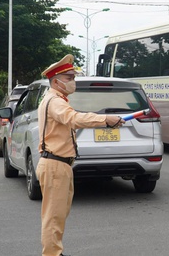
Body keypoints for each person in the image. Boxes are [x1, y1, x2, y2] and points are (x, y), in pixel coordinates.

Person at [36, 54, 125, 256]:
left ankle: (54, 252)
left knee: (57, 215)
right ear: (56, 81)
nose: (73, 81)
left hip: (59, 164)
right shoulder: (56, 101)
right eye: (69, 78)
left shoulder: (56, 99)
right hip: (55, 164)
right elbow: (73, 119)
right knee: (54, 217)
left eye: (73, 77)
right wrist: (105, 119)